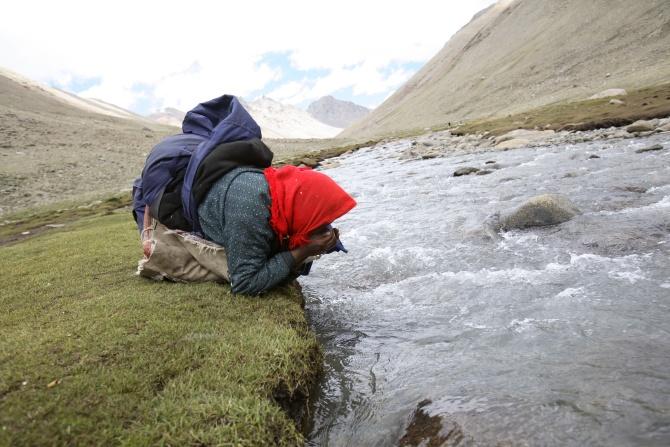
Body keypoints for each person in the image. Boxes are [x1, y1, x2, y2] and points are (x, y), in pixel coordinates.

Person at [198, 163, 356, 295]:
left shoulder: (284, 201)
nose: (326, 229)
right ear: (305, 209)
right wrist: (304, 251)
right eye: (320, 221)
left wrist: (309, 251)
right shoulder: (252, 212)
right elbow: (244, 283)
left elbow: (282, 274)